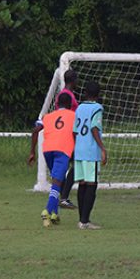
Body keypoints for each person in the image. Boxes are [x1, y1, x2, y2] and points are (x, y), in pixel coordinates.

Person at [28, 92, 76, 227]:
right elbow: (75, 133)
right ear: (70, 105)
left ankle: (55, 214)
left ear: (57, 104)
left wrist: (32, 152)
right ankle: (47, 210)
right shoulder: (73, 115)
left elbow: (35, 130)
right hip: (62, 150)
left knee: (59, 181)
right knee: (57, 182)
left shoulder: (47, 116)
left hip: (47, 150)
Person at [72, 80, 107, 230]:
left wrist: (78, 145)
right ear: (98, 95)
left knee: (82, 184)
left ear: (85, 93)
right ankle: (85, 221)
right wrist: (103, 148)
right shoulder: (97, 108)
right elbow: (94, 128)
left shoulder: (79, 107)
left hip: (79, 151)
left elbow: (74, 131)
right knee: (92, 185)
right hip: (91, 151)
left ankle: (82, 219)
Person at [59, 70, 79, 210]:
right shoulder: (67, 95)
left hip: (66, 134)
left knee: (67, 165)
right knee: (76, 164)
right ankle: (64, 197)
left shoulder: (64, 94)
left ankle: (62, 196)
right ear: (73, 80)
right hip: (68, 135)